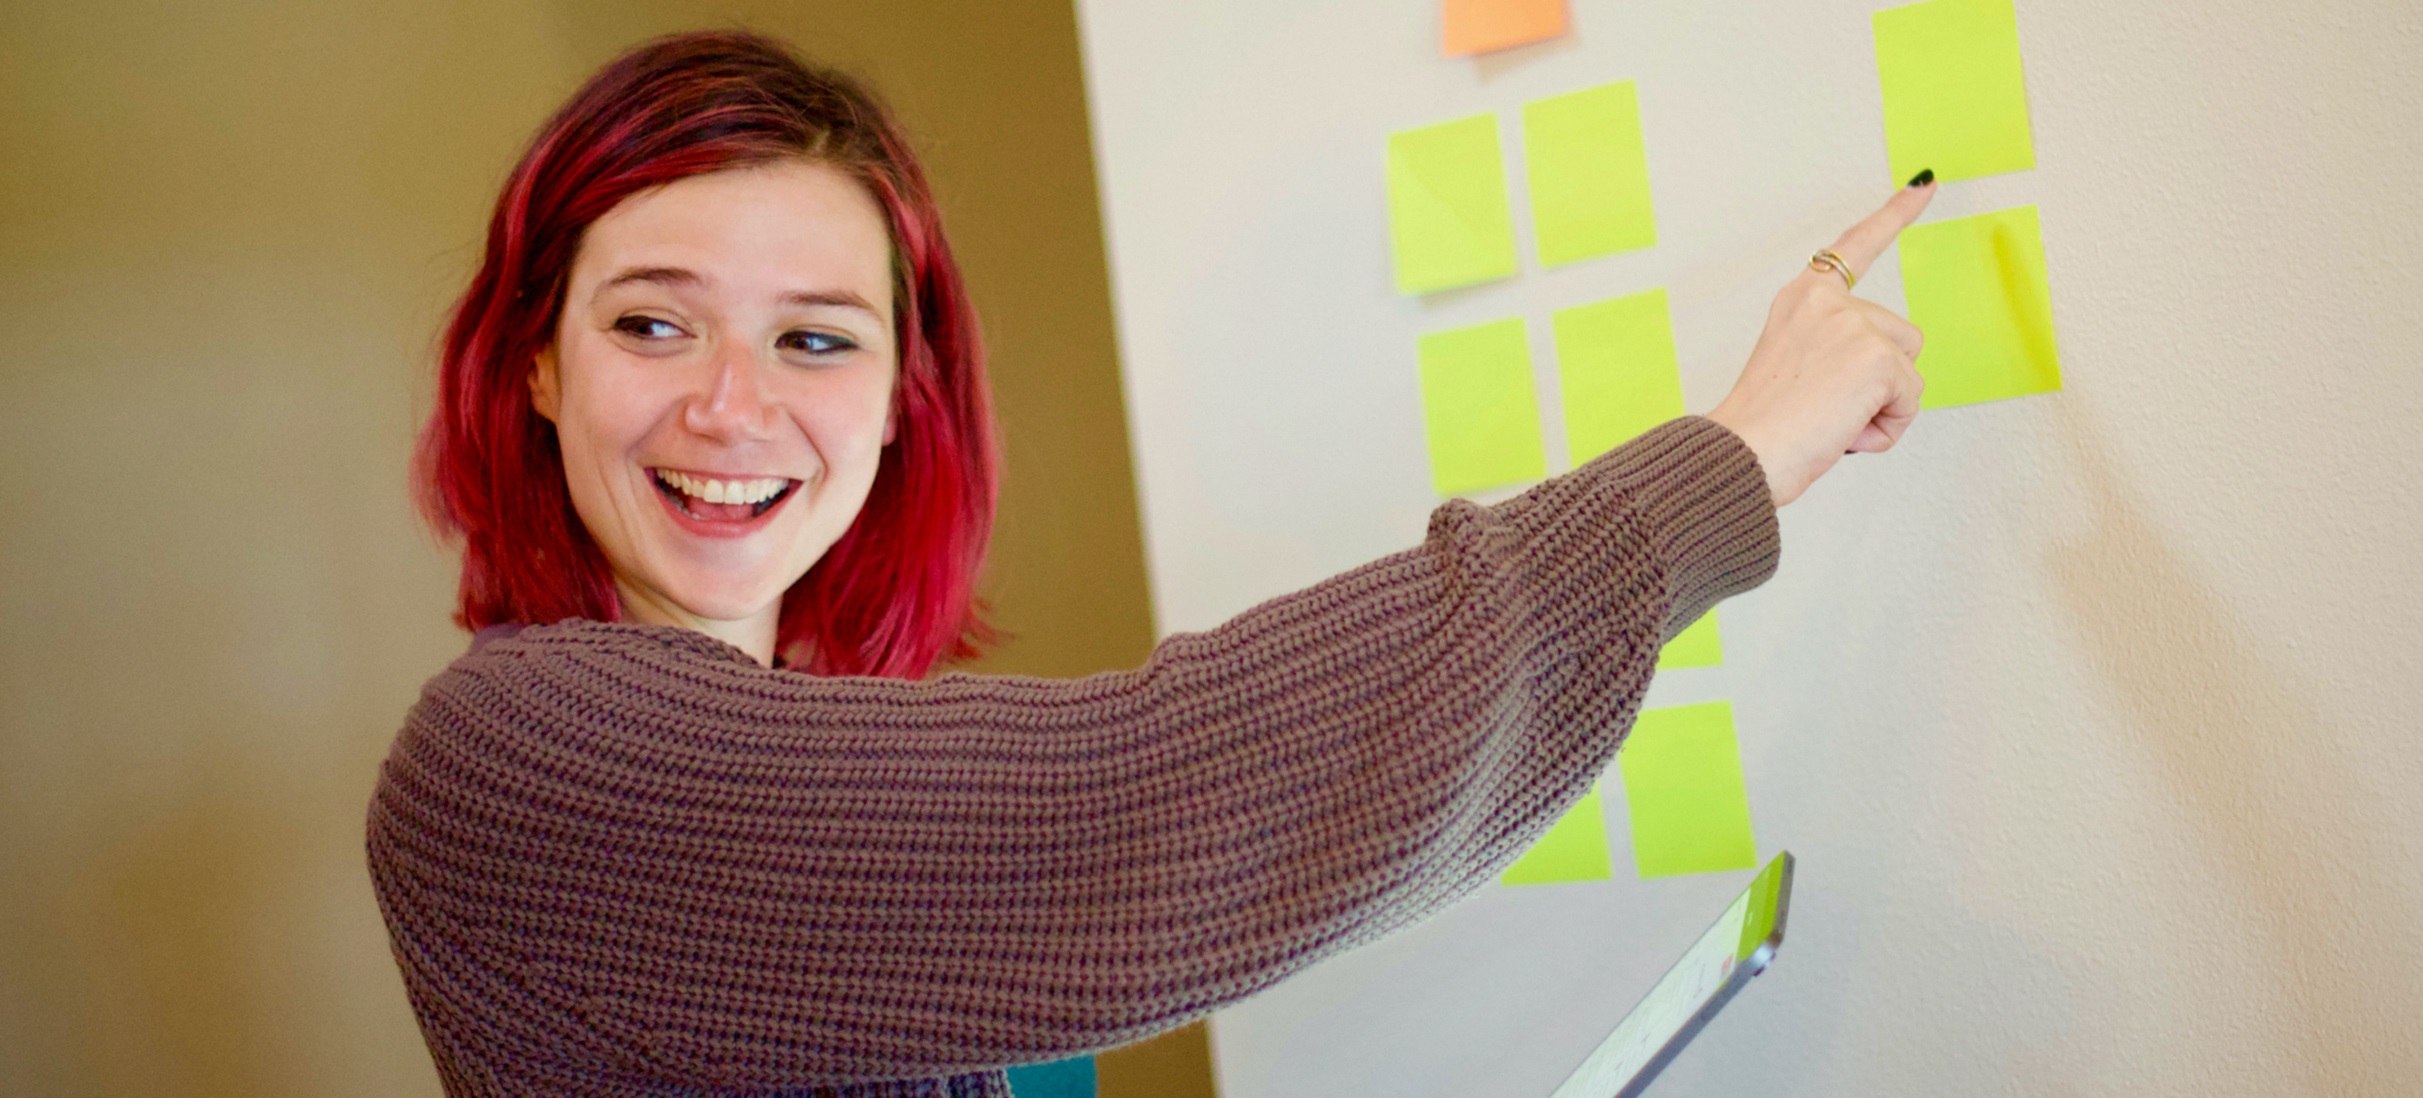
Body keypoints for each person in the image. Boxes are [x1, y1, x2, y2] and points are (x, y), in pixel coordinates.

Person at [369, 29, 1933, 1098]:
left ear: (903, 401)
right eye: (652, 319)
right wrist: (1730, 463)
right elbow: (1143, 807)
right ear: (536, 368)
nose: (732, 401)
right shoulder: (514, 754)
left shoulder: (815, 729)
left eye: (814, 338)